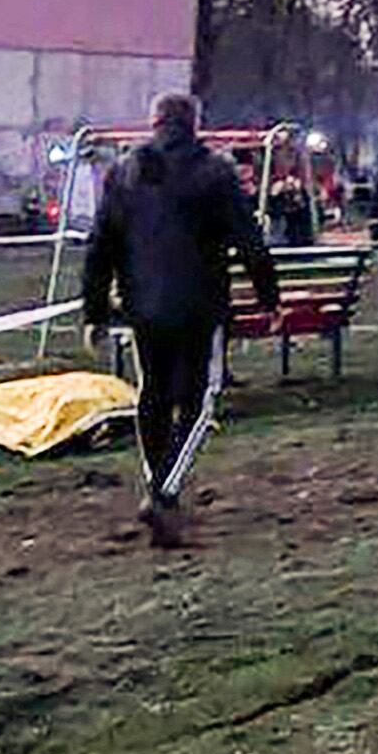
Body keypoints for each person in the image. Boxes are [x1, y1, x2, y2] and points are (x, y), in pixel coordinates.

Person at [80, 92, 280, 550]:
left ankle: (159, 488)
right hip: (199, 304)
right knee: (198, 401)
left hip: (142, 306)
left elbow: (100, 245)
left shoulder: (124, 173)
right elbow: (247, 238)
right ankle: (165, 490)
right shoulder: (214, 172)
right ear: (195, 123)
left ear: (154, 122)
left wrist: (94, 310)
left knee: (152, 394)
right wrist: (269, 296)